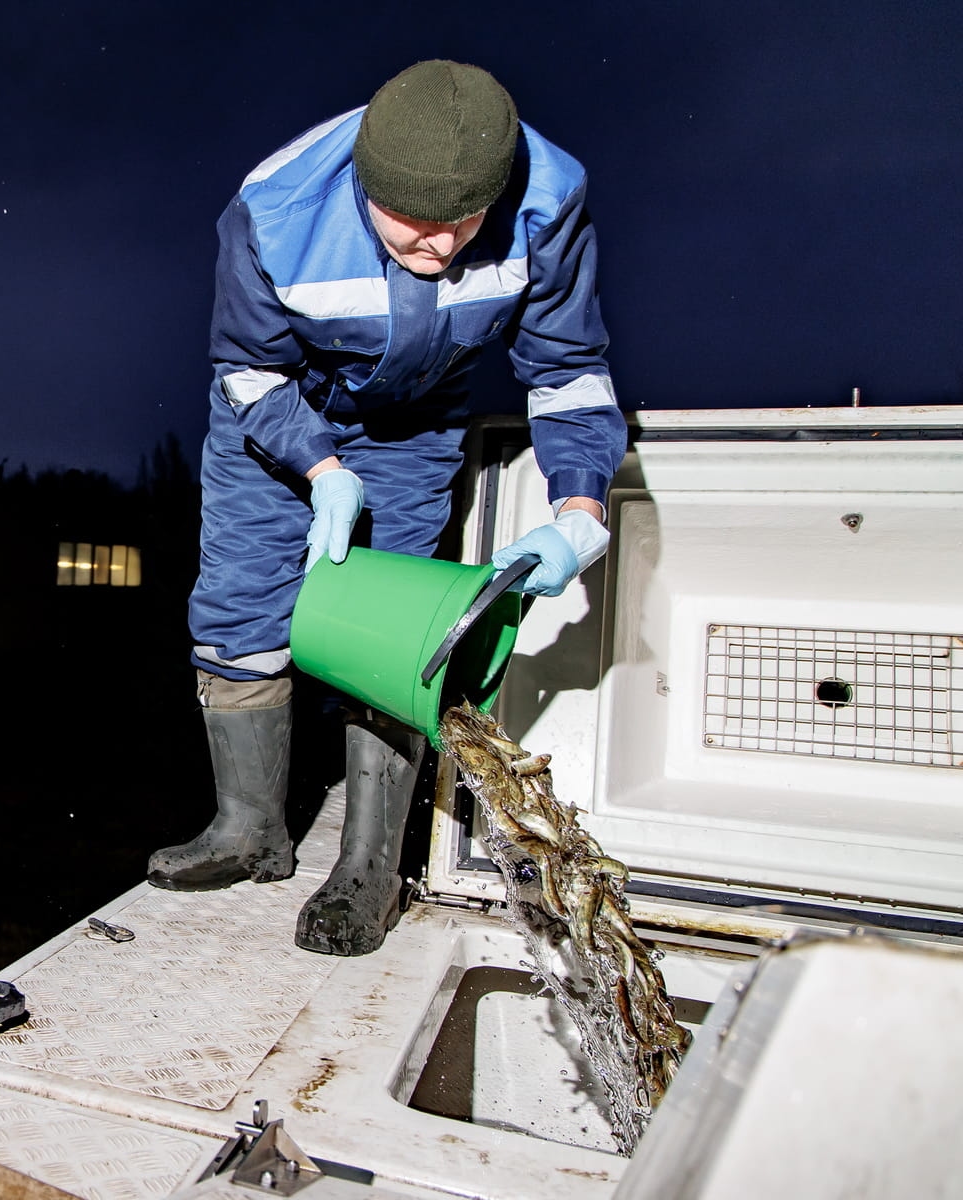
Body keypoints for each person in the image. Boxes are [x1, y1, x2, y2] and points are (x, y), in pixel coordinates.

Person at [149, 60, 627, 956]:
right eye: (413, 223)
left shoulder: (549, 200)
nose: (441, 248)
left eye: (464, 224)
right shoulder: (277, 206)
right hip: (278, 409)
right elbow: (248, 367)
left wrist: (579, 511)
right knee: (239, 611)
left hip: (413, 426)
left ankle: (369, 868)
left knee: (399, 631)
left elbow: (567, 370)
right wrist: (321, 467)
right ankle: (249, 831)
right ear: (364, 183)